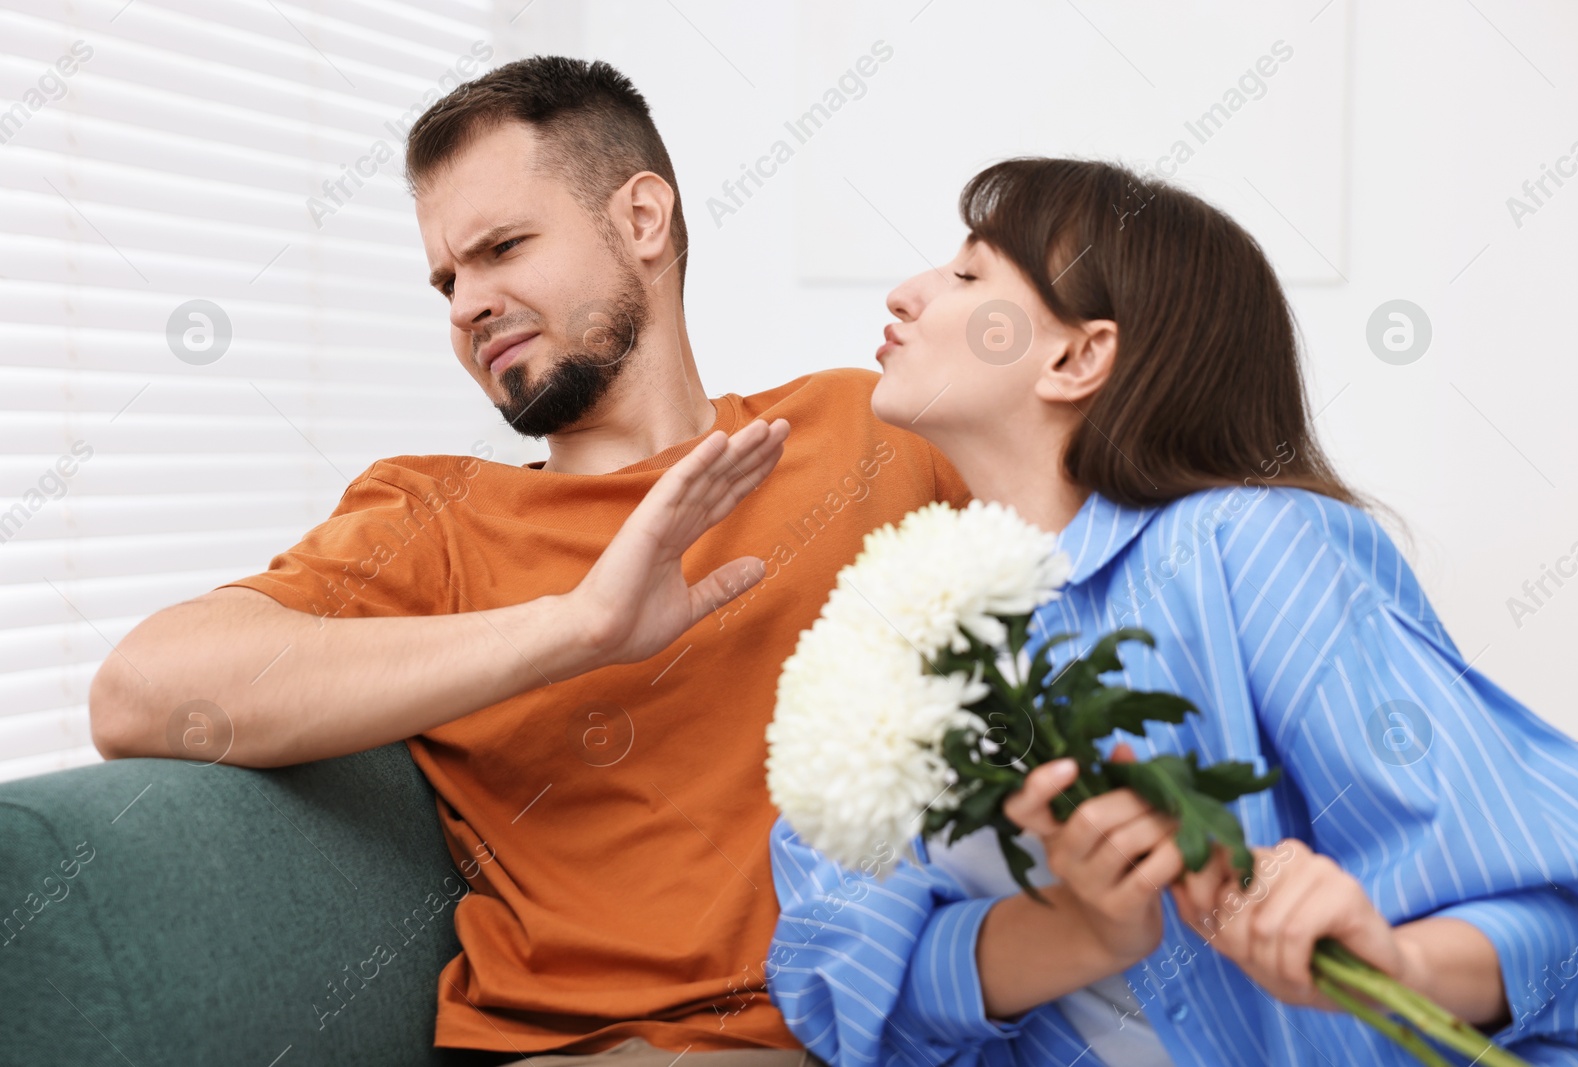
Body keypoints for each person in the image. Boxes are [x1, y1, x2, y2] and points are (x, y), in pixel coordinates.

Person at [86, 57, 969, 1065]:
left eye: (502, 247)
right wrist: (579, 625)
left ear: (643, 221)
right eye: (447, 279)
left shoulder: (864, 429)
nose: (466, 304)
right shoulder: (438, 514)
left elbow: (1121, 580)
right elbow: (139, 690)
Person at [766, 156, 1578, 1066]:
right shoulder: (897, 631)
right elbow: (837, 979)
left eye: (968, 274)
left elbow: (1558, 914)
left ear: (1077, 356)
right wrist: (1082, 930)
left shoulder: (1249, 549)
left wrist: (1393, 959)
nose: (906, 294)